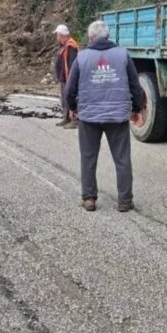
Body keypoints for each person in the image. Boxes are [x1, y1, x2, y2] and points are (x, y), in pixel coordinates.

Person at [65, 20, 145, 213]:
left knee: (88, 157)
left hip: (89, 117)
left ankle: (89, 199)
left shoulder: (82, 57)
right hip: (117, 117)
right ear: (108, 36)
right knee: (122, 159)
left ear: (90, 38)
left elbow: (70, 89)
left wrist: (73, 107)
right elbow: (136, 87)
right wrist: (136, 109)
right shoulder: (123, 55)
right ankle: (125, 201)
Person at [53, 24, 79, 129]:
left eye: (57, 35)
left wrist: (71, 80)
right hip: (63, 78)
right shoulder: (64, 45)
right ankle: (66, 118)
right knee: (64, 99)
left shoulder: (71, 46)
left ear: (62, 35)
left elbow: (72, 64)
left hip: (69, 78)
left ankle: (74, 120)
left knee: (70, 98)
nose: (56, 37)